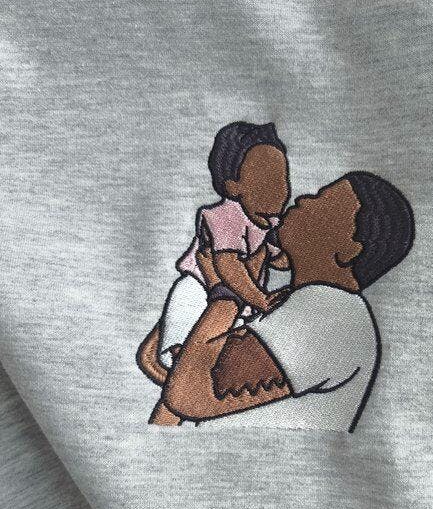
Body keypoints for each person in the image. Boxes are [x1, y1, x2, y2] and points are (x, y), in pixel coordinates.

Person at [147, 171, 414, 431]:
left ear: (348, 250)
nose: (304, 199)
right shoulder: (293, 302)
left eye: (323, 202)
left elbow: (186, 396)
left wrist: (226, 292)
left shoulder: (330, 313)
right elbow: (162, 373)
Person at [137, 121, 291, 378]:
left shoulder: (270, 224)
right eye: (264, 180)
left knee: (229, 347)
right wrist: (261, 300)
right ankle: (178, 354)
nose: (278, 188)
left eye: (281, 179)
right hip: (201, 285)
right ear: (232, 186)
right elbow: (227, 265)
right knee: (186, 307)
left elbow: (280, 260)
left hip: (240, 298)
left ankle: (203, 372)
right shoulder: (225, 216)